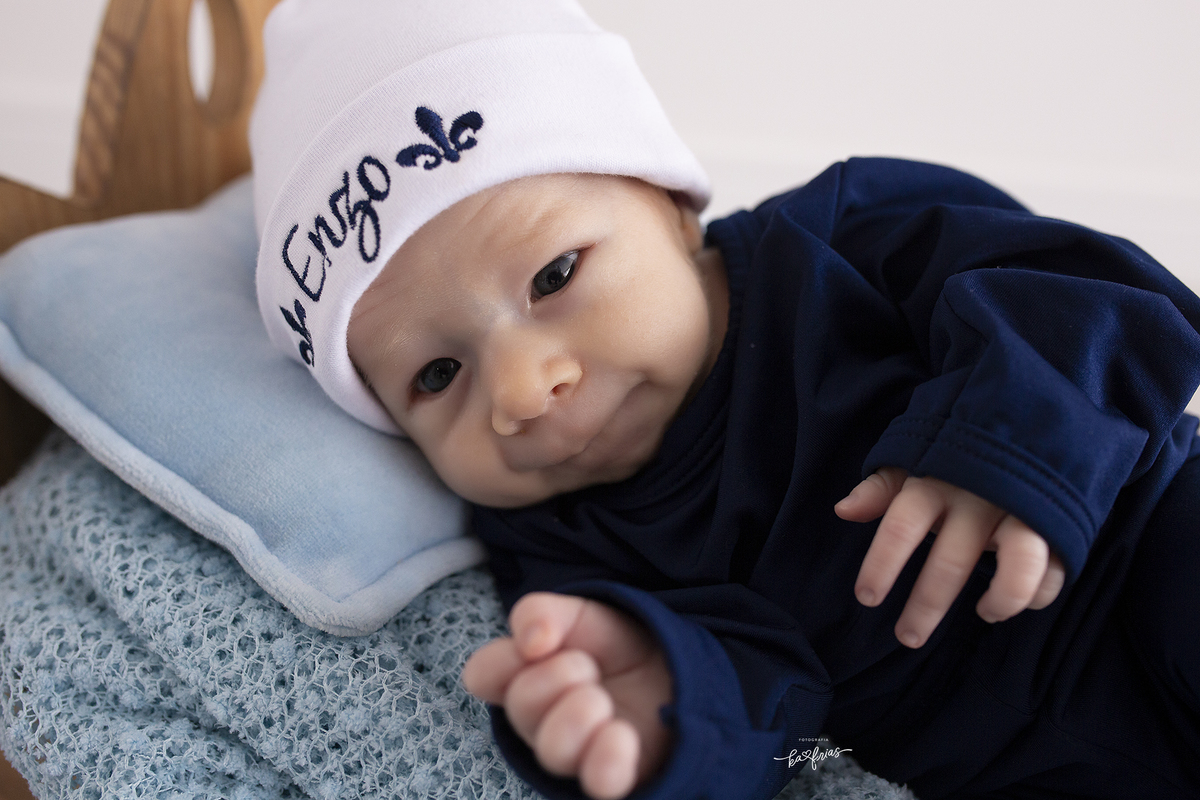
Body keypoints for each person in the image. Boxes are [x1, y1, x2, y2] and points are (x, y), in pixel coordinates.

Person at [249, 2, 1200, 799]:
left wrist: (1001, 445)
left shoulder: (832, 245)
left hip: (1129, 554)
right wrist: (662, 708)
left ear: (667, 204)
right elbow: (785, 728)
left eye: (554, 275)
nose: (522, 389)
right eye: (436, 376)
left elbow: (1088, 293)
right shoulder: (553, 544)